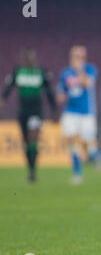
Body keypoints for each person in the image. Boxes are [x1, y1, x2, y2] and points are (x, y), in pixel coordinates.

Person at [0, 48, 57, 182]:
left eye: (32, 57)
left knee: (33, 139)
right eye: (28, 58)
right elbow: (7, 89)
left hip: (36, 112)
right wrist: (2, 101)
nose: (30, 60)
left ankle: (33, 171)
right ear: (24, 59)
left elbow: (49, 91)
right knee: (26, 142)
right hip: (22, 112)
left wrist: (54, 109)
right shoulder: (18, 72)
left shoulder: (41, 73)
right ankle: (30, 167)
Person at [57, 45, 101, 184]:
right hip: (70, 112)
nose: (76, 59)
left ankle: (95, 155)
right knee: (71, 141)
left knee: (87, 144)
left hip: (86, 113)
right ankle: (78, 172)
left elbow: (87, 83)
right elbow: (61, 93)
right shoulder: (65, 73)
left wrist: (78, 69)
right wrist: (61, 96)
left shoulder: (90, 69)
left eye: (79, 56)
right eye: (74, 56)